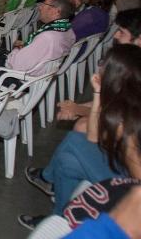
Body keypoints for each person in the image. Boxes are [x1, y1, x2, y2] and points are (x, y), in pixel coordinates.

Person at [19, 44, 141, 229]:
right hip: (121, 166)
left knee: (75, 141)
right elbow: (92, 137)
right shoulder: (125, 101)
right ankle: (59, 217)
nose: (100, 65)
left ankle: (50, 185)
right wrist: (98, 92)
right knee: (68, 162)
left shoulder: (130, 118)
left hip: (130, 182)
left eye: (103, 63)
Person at [0, 0, 76, 79]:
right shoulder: (67, 30)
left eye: (45, 4)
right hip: (34, 75)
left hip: (15, 76)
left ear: (56, 12)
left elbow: (15, 65)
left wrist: (17, 48)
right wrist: (25, 46)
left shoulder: (47, 37)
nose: (40, 7)